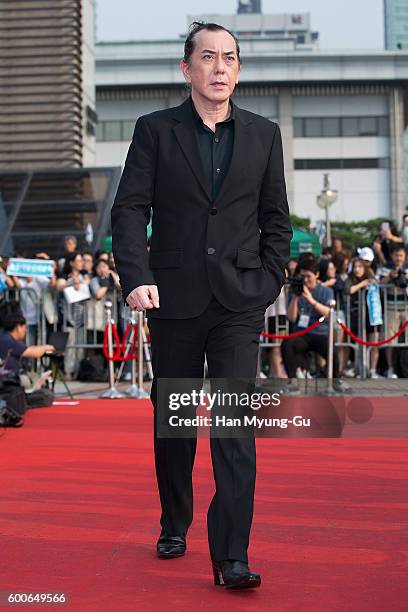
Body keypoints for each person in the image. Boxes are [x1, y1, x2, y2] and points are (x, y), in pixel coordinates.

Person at [111, 21, 292, 589]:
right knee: (176, 424)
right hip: (173, 298)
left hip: (240, 300)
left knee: (236, 427)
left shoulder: (264, 135)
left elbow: (276, 219)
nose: (220, 68)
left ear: (239, 69)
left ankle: (232, 556)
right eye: (208, 57)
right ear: (186, 68)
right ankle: (175, 518)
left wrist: (269, 279)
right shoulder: (155, 131)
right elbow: (129, 209)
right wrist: (135, 276)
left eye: (231, 58)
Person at [281, 258, 350, 394]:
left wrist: (311, 301)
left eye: (308, 276)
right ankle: (292, 382)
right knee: (287, 344)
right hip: (302, 333)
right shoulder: (295, 290)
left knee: (331, 348)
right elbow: (292, 318)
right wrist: (295, 298)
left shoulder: (326, 291)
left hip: (321, 333)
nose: (305, 280)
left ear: (317, 275)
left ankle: (336, 380)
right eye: (302, 276)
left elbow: (329, 313)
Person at [343, 258, 380, 378]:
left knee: (373, 342)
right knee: (359, 344)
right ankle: (360, 369)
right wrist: (362, 284)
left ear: (365, 268)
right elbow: (348, 290)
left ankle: (372, 369)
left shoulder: (371, 277)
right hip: (357, 316)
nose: (357, 269)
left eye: (360, 267)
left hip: (372, 315)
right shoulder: (350, 279)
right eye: (355, 267)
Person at [379, 244, 408, 378]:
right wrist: (391, 276)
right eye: (396, 255)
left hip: (406, 306)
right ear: (392, 256)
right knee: (390, 339)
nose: (398, 258)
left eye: (401, 255)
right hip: (391, 307)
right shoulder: (386, 267)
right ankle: (390, 368)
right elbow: (379, 283)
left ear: (405, 256)